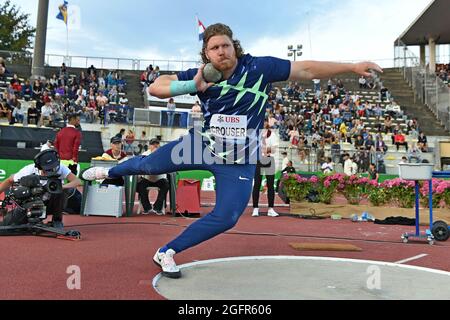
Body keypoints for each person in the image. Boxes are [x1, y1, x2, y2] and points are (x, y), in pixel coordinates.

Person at [81, 23, 382, 279]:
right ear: (207, 54)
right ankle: (111, 171)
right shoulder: (199, 75)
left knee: (227, 216)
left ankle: (167, 251)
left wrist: (352, 66)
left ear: (234, 47)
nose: (221, 51)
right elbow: (156, 87)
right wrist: (191, 85)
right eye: (214, 48)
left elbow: (304, 68)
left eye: (225, 45)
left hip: (239, 160)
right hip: (203, 146)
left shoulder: (259, 68)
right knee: (149, 166)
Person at [0, 149, 81, 229]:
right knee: (8, 224)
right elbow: (10, 180)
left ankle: (57, 221)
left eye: (54, 168)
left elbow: (77, 181)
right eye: (48, 169)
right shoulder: (29, 170)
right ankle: (33, 218)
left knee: (62, 191)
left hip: (51, 203)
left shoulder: (61, 168)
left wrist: (61, 186)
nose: (52, 171)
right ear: (39, 167)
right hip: (31, 203)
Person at [252, 121, 279, 218]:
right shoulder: (256, 133)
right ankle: (255, 208)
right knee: (257, 184)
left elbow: (275, 148)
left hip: (269, 159)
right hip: (258, 160)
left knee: (270, 185)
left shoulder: (272, 134)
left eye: (265, 121)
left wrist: (266, 149)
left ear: (267, 123)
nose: (263, 123)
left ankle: (271, 209)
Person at [136, 139, 169, 215]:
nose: (155, 145)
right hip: (147, 178)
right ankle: (147, 207)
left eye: (157, 143)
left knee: (166, 185)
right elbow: (141, 166)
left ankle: (157, 207)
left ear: (159, 145)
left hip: (160, 179)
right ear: (149, 146)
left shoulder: (163, 154)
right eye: (153, 144)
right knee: (140, 185)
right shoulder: (145, 154)